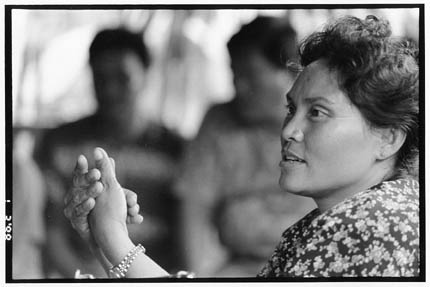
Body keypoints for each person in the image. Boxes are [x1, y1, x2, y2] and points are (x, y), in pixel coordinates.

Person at [64, 15, 419, 278]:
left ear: (388, 137)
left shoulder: (369, 226)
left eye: (318, 113)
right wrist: (107, 236)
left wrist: (112, 236)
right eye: (292, 110)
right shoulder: (334, 220)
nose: (289, 130)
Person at [35, 27, 184, 277]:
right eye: (100, 79)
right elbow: (52, 236)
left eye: (122, 78)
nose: (110, 90)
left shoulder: (177, 151)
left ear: (147, 75)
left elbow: (187, 238)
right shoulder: (59, 144)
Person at [174, 16, 315, 276]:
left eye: (250, 75)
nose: (239, 86)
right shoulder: (219, 122)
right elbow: (194, 208)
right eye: (234, 74)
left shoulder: (320, 123)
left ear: (290, 72)